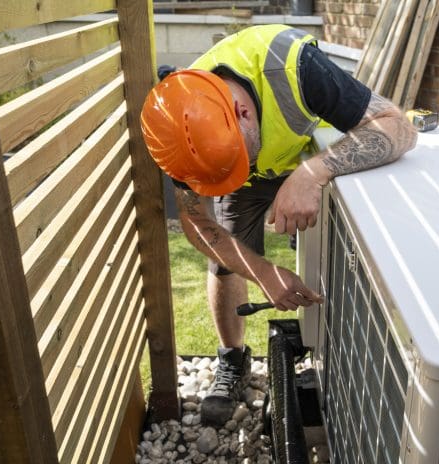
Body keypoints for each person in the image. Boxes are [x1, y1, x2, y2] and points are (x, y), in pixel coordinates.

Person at [140, 24, 417, 426]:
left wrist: (311, 174)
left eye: (239, 163)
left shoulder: (296, 67)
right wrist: (262, 272)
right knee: (225, 261)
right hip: (253, 168)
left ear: (243, 112)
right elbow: (198, 221)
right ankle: (232, 360)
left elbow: (397, 126)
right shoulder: (178, 125)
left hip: (307, 159)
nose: (232, 180)